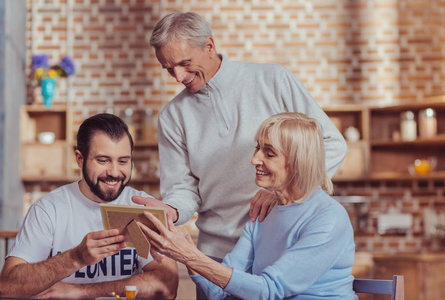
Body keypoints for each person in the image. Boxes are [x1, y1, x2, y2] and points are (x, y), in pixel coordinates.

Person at [133, 10, 347, 263]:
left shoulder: (273, 80)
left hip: (280, 246)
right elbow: (183, 188)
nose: (178, 77)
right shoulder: (172, 116)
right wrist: (171, 209)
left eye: (184, 63)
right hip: (216, 255)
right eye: (169, 69)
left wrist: (285, 189)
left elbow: (332, 144)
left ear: (209, 46)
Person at [138, 112, 357, 299]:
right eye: (258, 148)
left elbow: (269, 290)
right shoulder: (265, 213)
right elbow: (218, 292)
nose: (254, 160)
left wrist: (189, 255)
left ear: (299, 162)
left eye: (269, 153)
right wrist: (187, 249)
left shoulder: (327, 218)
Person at [0, 114, 178, 299]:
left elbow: (167, 285)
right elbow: (8, 286)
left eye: (123, 161)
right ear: (80, 159)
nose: (115, 172)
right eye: (103, 160)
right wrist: (75, 257)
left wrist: (81, 291)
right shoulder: (49, 209)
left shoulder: (142, 206)